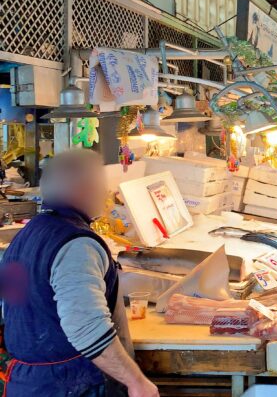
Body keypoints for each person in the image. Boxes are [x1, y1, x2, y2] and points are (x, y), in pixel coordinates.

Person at [0, 149, 159, 396]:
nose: (106, 195)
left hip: (28, 383)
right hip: (71, 385)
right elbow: (85, 325)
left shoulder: (26, 236)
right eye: (101, 187)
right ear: (84, 190)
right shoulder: (76, 244)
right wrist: (135, 381)